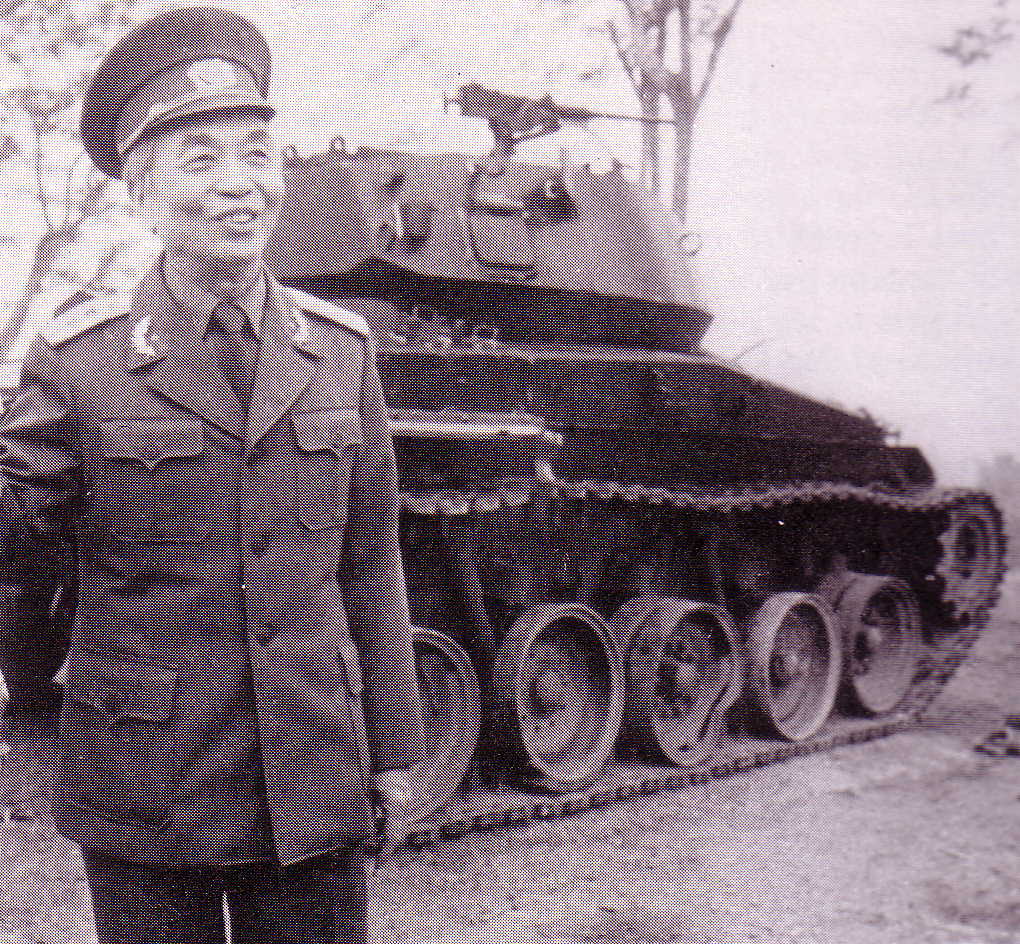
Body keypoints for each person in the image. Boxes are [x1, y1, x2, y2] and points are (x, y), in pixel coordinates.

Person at [0, 7, 426, 942]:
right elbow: (14, 551)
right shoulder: (78, 363)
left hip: (312, 780)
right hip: (148, 791)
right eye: (201, 162)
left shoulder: (343, 353)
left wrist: (394, 751)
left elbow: (370, 565)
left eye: (256, 156)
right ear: (142, 195)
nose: (239, 187)